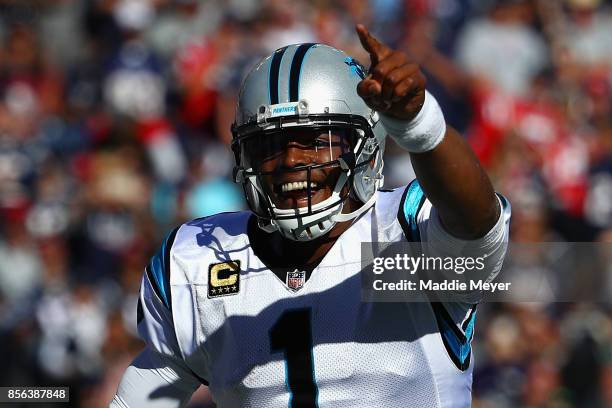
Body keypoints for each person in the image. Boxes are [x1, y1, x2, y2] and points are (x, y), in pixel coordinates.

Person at [111, 24, 511, 407]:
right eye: (270, 145)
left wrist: (418, 124)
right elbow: (143, 395)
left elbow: (477, 221)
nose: (291, 160)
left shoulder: (407, 231)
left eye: (316, 141)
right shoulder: (199, 258)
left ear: (366, 146)